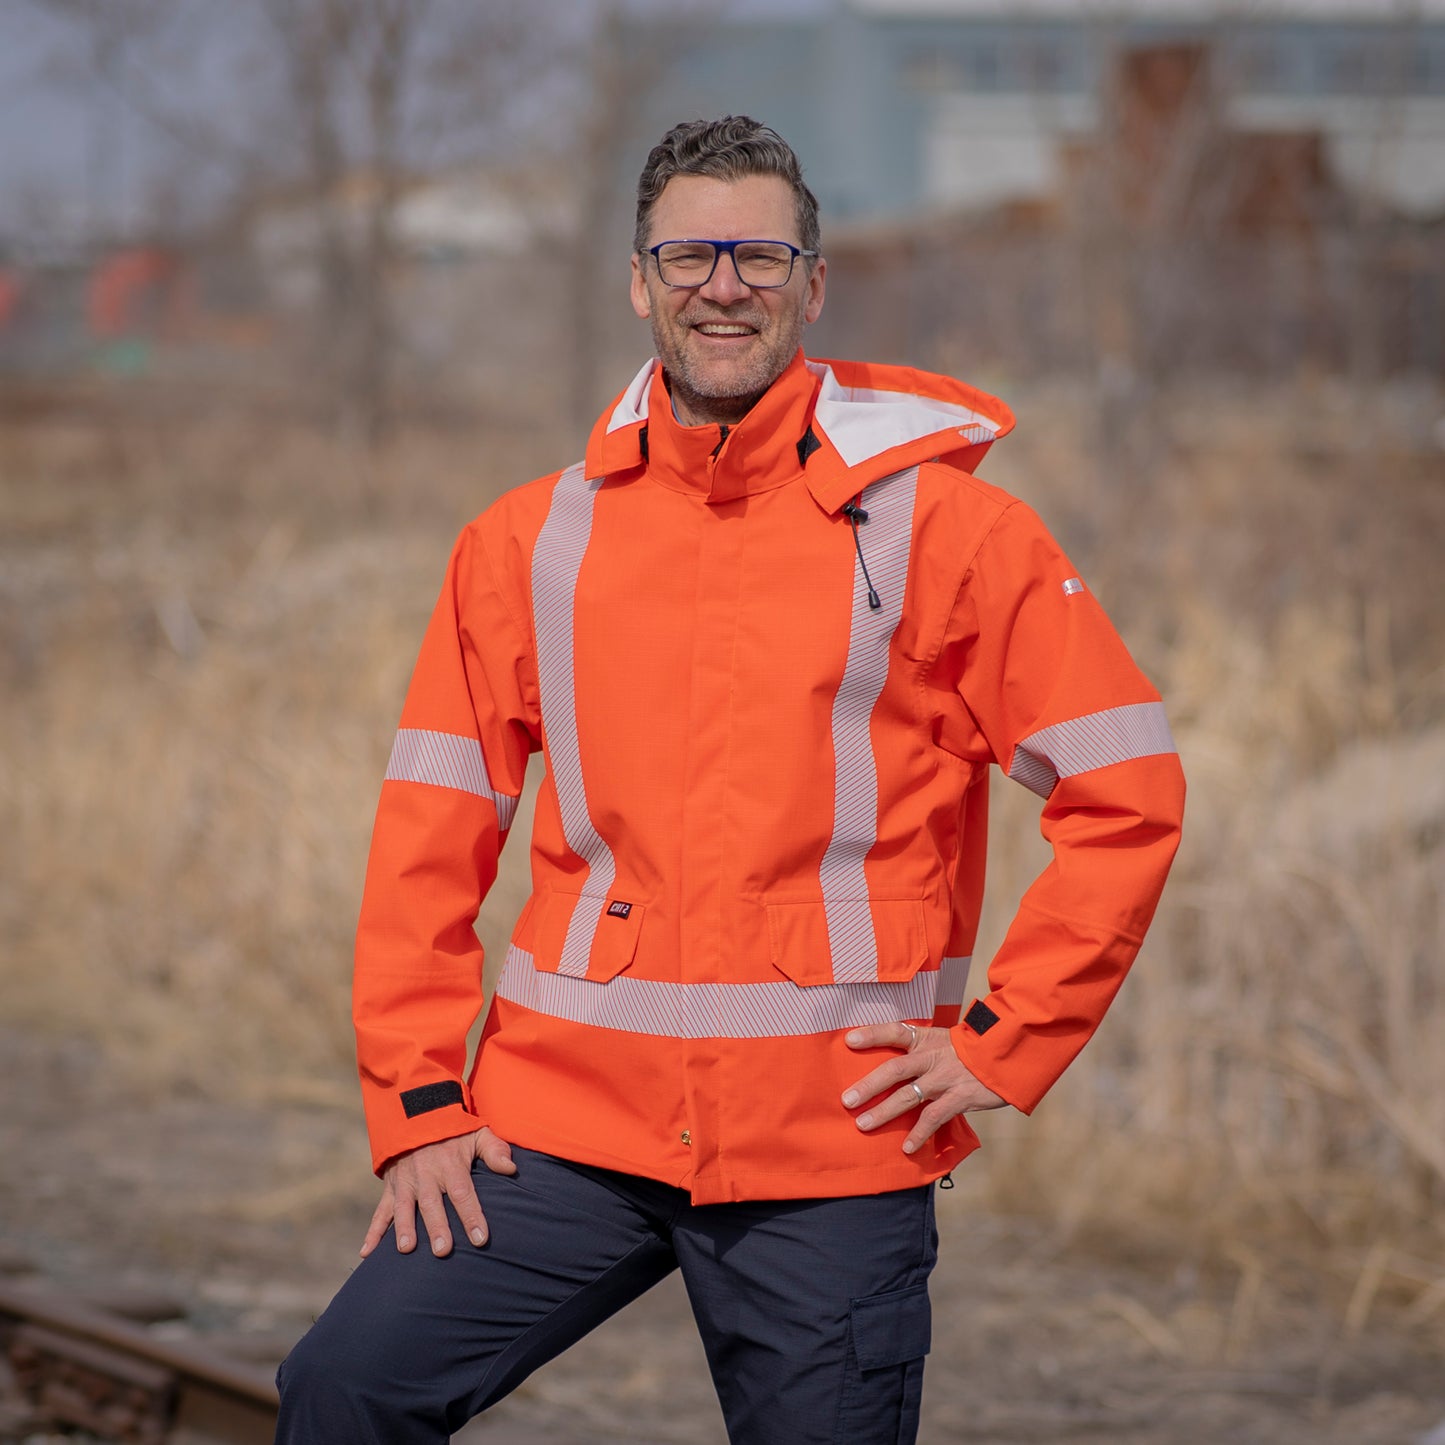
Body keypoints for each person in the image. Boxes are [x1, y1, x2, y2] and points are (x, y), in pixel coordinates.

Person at [274, 115, 1184, 1444]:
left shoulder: (949, 531)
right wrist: (417, 1101)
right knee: (343, 1388)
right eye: (689, 254)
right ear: (638, 280)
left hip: (831, 1144)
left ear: (813, 285)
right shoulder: (527, 541)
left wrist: (1003, 1043)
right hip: (564, 1130)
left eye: (760, 255)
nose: (723, 285)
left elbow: (1126, 787)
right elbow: (433, 826)